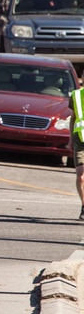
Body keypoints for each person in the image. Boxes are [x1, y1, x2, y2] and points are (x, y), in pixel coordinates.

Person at [68, 87, 84, 220]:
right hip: (80, 140)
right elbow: (73, 118)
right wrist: (70, 139)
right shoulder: (76, 96)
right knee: (81, 176)